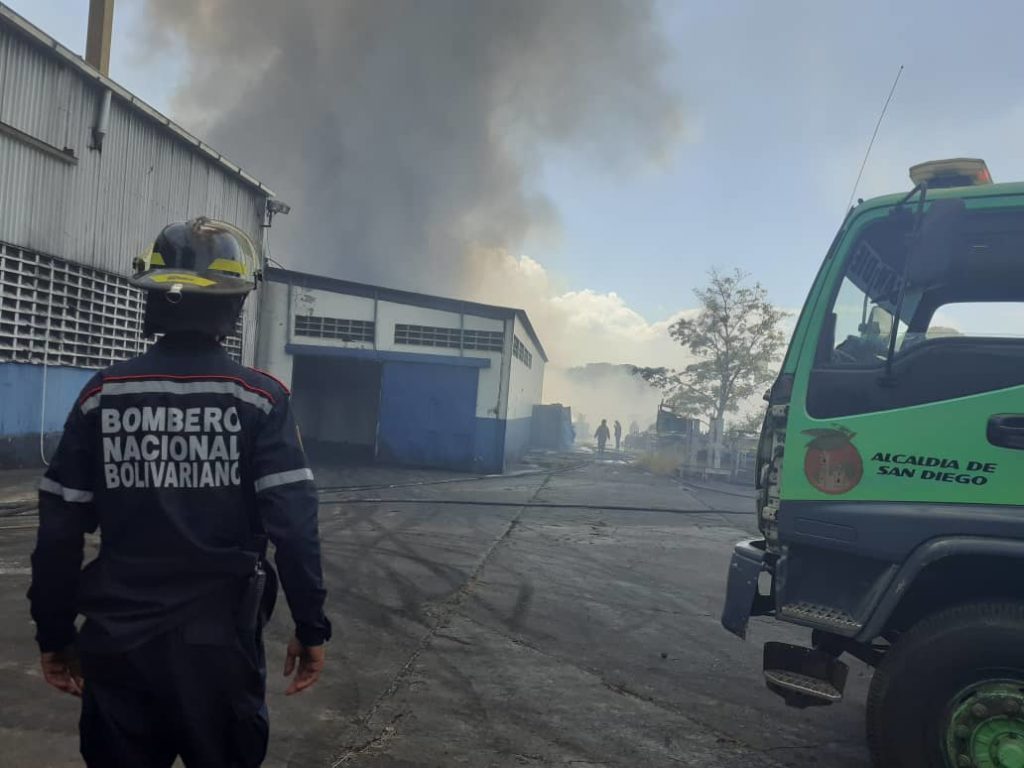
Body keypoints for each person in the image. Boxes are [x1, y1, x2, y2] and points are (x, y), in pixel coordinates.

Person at [28, 218, 332, 767]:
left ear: (155, 298)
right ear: (234, 305)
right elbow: (293, 527)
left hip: (118, 646)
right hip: (220, 650)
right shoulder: (259, 401)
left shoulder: (102, 395)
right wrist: (311, 626)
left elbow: (59, 531)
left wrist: (54, 635)